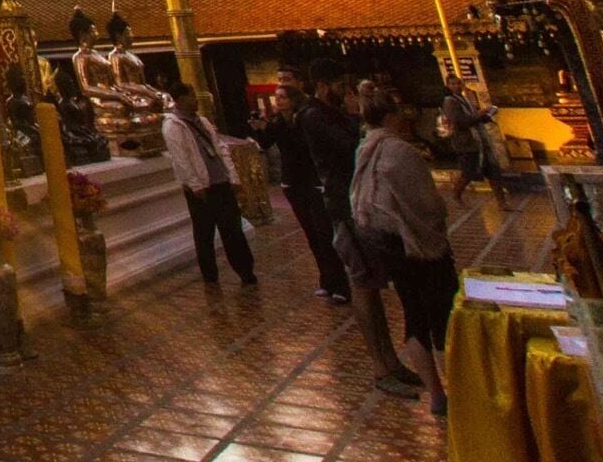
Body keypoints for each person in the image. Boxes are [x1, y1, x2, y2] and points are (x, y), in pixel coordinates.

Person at [300, 57, 420, 396]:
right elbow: (348, 146)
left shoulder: (334, 113)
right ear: (323, 86)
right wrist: (358, 116)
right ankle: (382, 367)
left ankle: (391, 360)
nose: (346, 92)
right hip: (342, 205)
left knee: (372, 283)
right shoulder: (312, 116)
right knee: (363, 285)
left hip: (357, 203)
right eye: (340, 87)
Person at [353, 94, 457, 420]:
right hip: (417, 242)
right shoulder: (399, 151)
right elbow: (426, 204)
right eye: (399, 113)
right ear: (389, 117)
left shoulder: (364, 148)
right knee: (441, 316)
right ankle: (455, 387)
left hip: (388, 242)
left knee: (414, 313)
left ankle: (438, 391)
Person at [255, 64, 349, 302]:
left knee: (325, 233)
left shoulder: (308, 116)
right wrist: (260, 128)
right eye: (276, 96)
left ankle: (341, 283)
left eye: (282, 96)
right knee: (312, 235)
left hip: (313, 181)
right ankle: (327, 280)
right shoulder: (278, 123)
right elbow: (264, 143)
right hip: (293, 183)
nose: (278, 100)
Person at [161, 79, 256, 286]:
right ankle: (210, 275)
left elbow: (220, 148)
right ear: (180, 99)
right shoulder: (173, 126)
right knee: (204, 232)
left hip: (220, 180)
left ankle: (246, 270)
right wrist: (195, 184)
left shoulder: (201, 121)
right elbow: (181, 157)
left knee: (233, 228)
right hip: (201, 187)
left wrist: (232, 175)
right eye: (191, 95)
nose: (196, 99)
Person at [438, 74, 502, 202]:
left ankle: (502, 202)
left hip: (480, 140)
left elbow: (475, 118)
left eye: (458, 83)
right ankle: (456, 195)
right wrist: (479, 114)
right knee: (468, 173)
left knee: (492, 171)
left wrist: (487, 115)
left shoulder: (465, 99)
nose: (456, 86)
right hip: (466, 143)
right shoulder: (450, 101)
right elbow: (460, 121)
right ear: (448, 86)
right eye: (453, 84)